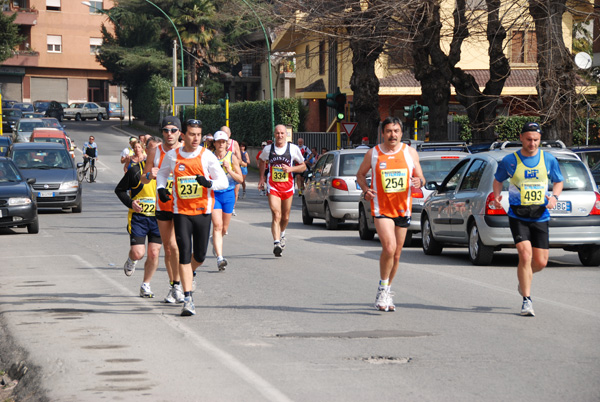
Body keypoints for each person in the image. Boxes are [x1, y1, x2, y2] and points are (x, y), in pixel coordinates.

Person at [156, 119, 228, 316]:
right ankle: (188, 299)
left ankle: (189, 273)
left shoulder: (207, 156)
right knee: (184, 254)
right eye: (191, 134)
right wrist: (161, 189)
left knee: (201, 255)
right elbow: (162, 174)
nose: (195, 138)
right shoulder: (172, 156)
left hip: (202, 212)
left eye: (198, 134)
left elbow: (223, 180)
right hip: (181, 213)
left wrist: (209, 183)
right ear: (183, 135)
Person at [491, 122, 564, 317]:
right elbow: (498, 180)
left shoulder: (548, 159)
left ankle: (524, 280)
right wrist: (497, 196)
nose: (532, 143)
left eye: (536, 140)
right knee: (525, 255)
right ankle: (527, 300)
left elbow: (558, 181)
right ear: (521, 138)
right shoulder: (510, 160)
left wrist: (554, 197)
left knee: (540, 262)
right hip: (518, 215)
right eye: (529, 139)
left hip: (541, 215)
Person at [356, 116, 425, 312]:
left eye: (396, 131)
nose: (392, 135)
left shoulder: (410, 153)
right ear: (383, 133)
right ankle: (382, 290)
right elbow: (360, 175)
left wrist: (419, 182)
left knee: (396, 254)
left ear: (401, 133)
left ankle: (386, 289)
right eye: (388, 131)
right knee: (389, 247)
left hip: (403, 208)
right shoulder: (374, 153)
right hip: (381, 208)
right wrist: (365, 189)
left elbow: (421, 178)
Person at [142, 116, 184, 304]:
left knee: (176, 246)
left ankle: (181, 283)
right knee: (168, 248)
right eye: (166, 130)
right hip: (163, 204)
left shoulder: (186, 151)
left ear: (180, 133)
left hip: (184, 204)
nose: (169, 134)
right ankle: (175, 286)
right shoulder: (154, 151)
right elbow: (143, 178)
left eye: (173, 130)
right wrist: (149, 175)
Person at [114, 137, 162, 299]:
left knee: (154, 253)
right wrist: (131, 203)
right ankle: (131, 260)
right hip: (139, 219)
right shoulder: (135, 171)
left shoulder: (168, 172)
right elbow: (119, 190)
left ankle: (145, 285)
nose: (155, 153)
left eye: (158, 150)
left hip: (159, 219)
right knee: (138, 253)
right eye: (152, 150)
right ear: (146, 151)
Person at [258, 124, 306, 257]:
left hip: (288, 186)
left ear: (286, 135)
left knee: (285, 216)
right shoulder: (268, 149)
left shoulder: (293, 149)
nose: (280, 135)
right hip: (273, 186)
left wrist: (291, 169)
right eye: (277, 133)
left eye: (282, 133)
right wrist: (262, 178)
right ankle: (276, 242)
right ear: (274, 134)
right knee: (276, 214)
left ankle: (282, 233)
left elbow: (303, 166)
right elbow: (261, 161)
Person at [211, 131, 244, 271]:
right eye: (218, 142)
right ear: (214, 143)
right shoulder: (209, 157)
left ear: (226, 143)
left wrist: (229, 170)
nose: (220, 144)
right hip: (214, 195)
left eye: (223, 142)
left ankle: (215, 240)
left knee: (224, 229)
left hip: (229, 194)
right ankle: (220, 258)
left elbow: (240, 179)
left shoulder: (232, 157)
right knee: (217, 226)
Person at [220, 126, 242, 215]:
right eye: (222, 132)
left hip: (232, 173)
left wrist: (233, 162)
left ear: (230, 134)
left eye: (226, 133)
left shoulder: (234, 143)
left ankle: (232, 207)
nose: (224, 135)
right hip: (221, 173)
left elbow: (240, 158)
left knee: (235, 191)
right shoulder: (218, 143)